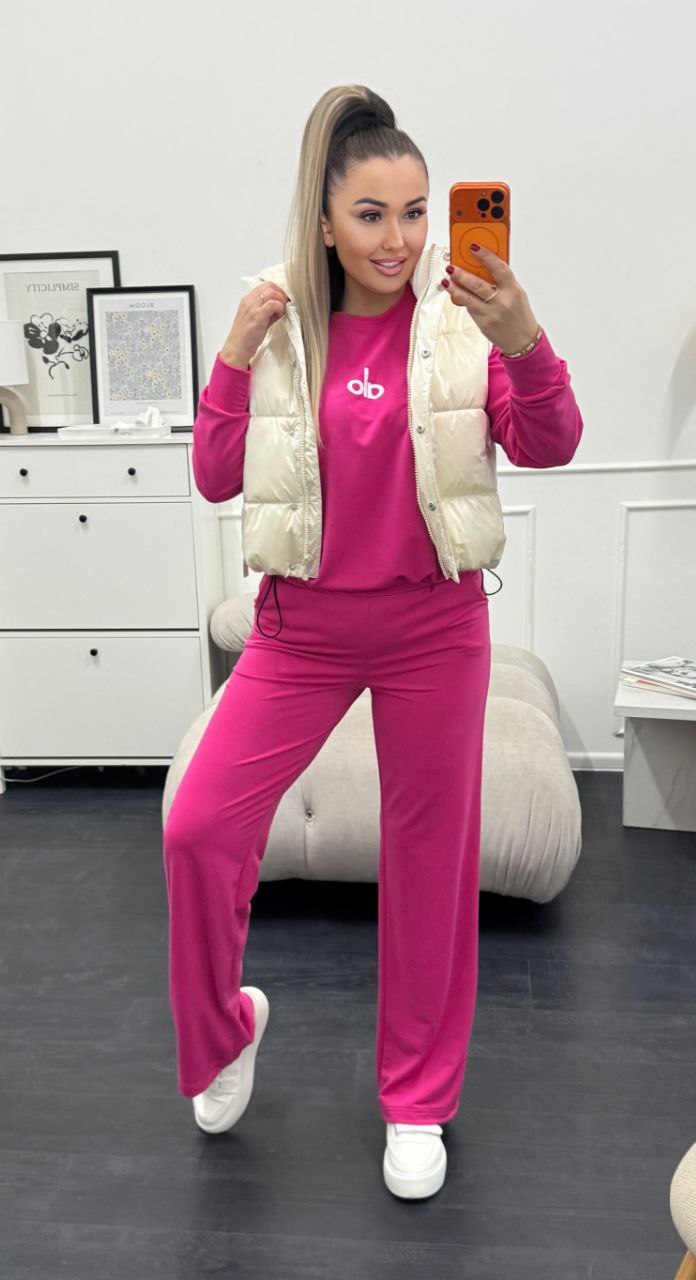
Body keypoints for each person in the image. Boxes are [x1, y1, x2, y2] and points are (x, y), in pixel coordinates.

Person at [162, 83, 583, 1200]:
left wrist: (525, 340)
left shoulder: (462, 318)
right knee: (198, 827)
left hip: (433, 627)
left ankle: (418, 1099)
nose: (397, 239)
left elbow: (551, 441)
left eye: (413, 212)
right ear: (325, 222)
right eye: (370, 215)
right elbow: (214, 475)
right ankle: (225, 1028)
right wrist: (231, 356)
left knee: (430, 864)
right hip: (299, 628)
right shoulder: (280, 323)